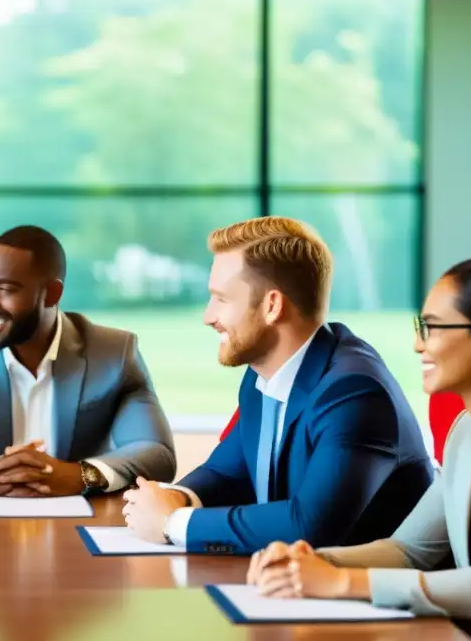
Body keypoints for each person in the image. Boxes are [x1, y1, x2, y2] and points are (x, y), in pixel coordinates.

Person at [249, 256, 471, 641]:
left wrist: (340, 583)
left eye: (430, 327)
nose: (418, 343)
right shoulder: (466, 434)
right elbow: (408, 550)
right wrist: (309, 561)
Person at [123, 216, 434, 554]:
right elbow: (227, 473)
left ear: (272, 306)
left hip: (375, 596)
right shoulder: (263, 373)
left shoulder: (354, 392)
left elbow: (310, 525)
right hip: (294, 587)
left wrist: (172, 524)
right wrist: (175, 498)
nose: (208, 316)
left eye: (221, 299)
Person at [0, 225, 176, 496]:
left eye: (5, 289)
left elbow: (155, 451)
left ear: (52, 294)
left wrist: (79, 475)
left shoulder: (114, 353)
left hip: (78, 529)